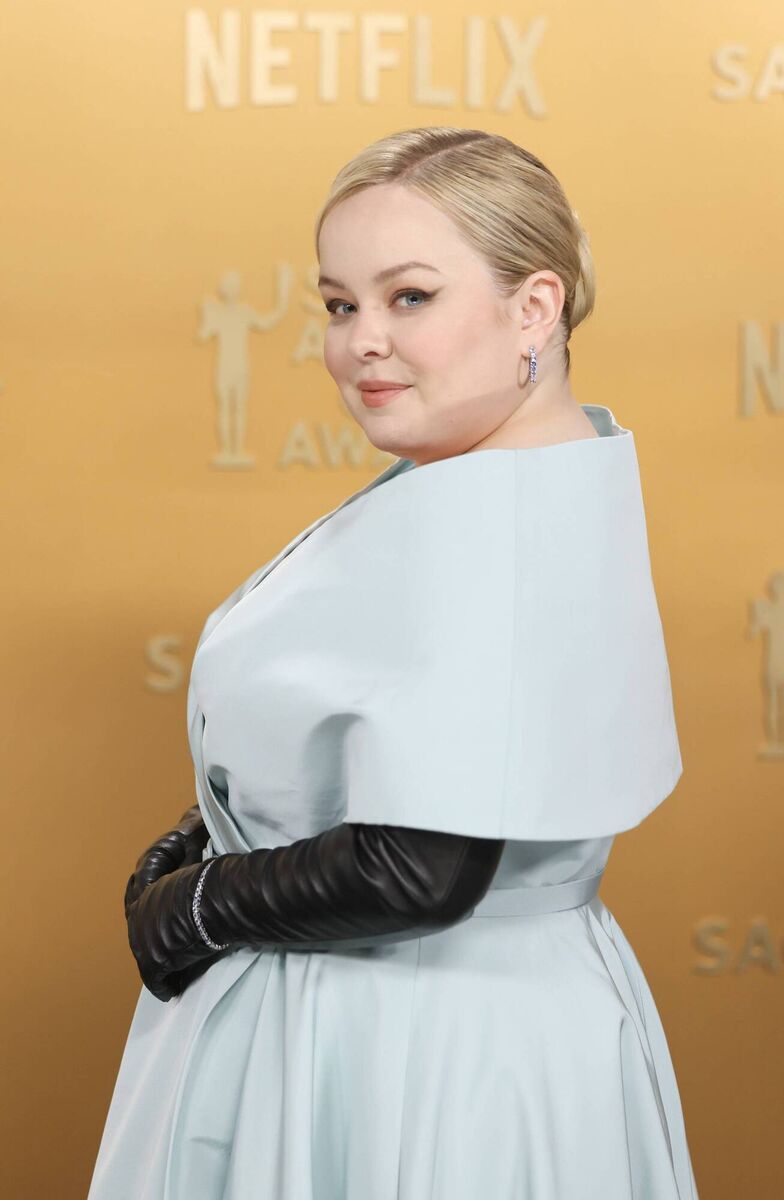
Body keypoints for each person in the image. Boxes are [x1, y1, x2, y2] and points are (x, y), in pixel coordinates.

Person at [88, 126, 699, 1199]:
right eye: (337, 304)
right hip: (450, 1014)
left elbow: (420, 865)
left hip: (421, 1043)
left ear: (533, 308)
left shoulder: (498, 520)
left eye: (408, 297)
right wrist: (218, 831)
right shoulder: (516, 475)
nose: (358, 342)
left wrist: (199, 905)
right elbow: (379, 726)